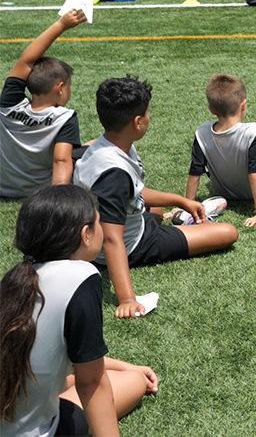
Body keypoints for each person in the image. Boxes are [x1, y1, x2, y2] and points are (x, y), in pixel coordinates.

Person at [74, 77, 240, 318]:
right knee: (227, 233)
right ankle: (187, 226)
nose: (150, 118)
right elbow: (112, 239)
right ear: (138, 122)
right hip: (134, 244)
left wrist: (180, 200)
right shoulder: (113, 173)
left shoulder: (107, 144)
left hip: (127, 223)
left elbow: (133, 192)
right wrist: (127, 299)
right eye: (148, 113)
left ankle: (178, 219)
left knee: (157, 211)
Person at [0, 185, 159, 437]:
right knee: (134, 382)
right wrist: (130, 373)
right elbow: (91, 383)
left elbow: (54, 358)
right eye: (98, 221)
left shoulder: (15, 280)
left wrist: (123, 365)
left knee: (120, 374)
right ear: (86, 234)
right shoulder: (80, 275)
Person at [0, 10, 86, 199]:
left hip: (4, 188)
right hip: (39, 192)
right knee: (100, 147)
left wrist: (61, 24)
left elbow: (26, 60)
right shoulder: (64, 118)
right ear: (60, 88)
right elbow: (61, 161)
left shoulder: (8, 105)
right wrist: (55, 201)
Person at [185, 74, 256, 227]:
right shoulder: (254, 131)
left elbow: (195, 173)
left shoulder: (202, 132)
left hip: (224, 192)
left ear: (211, 109)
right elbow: (255, 172)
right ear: (243, 105)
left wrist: (187, 206)